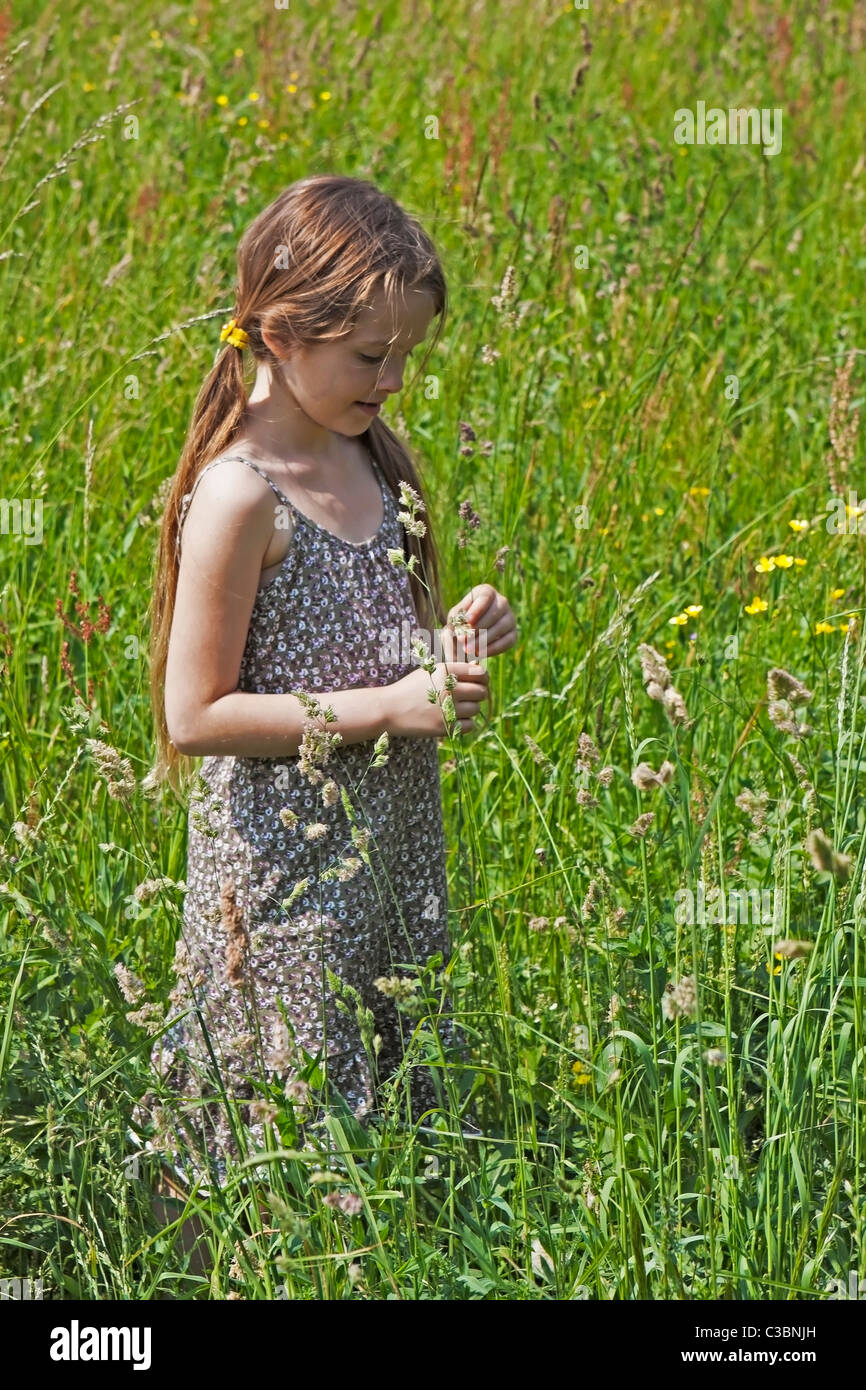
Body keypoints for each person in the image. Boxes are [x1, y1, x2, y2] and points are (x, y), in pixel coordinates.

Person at [132, 174, 518, 1208]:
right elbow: (194, 715)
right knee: (277, 1165)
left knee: (391, 1161)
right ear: (277, 331)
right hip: (283, 896)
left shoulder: (370, 458)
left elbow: (374, 650)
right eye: (368, 355)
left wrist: (452, 647)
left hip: (389, 864)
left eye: (406, 355)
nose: (392, 379)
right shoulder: (238, 493)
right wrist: (389, 709)